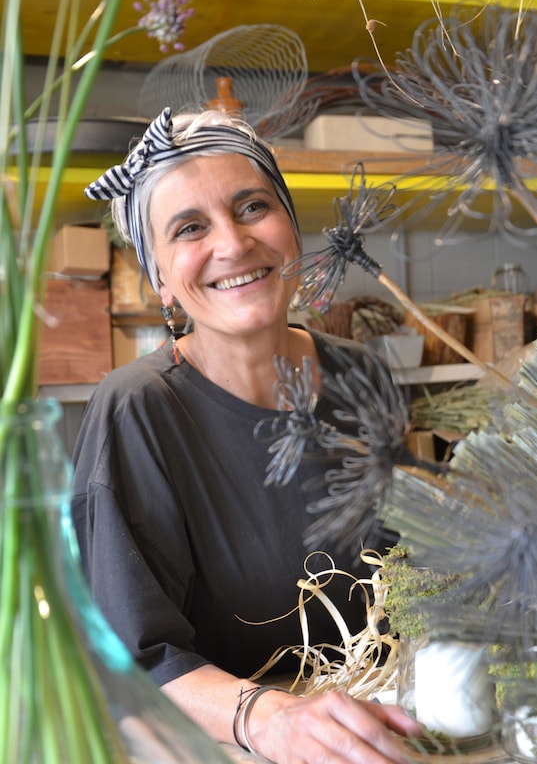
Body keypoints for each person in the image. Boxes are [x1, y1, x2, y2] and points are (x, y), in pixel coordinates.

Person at [72, 106, 421, 763]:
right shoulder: (138, 412)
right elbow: (128, 657)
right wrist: (269, 721)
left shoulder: (362, 376)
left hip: (379, 721)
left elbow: (413, 579)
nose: (232, 244)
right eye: (190, 228)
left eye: (253, 206)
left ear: (290, 225)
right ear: (160, 279)